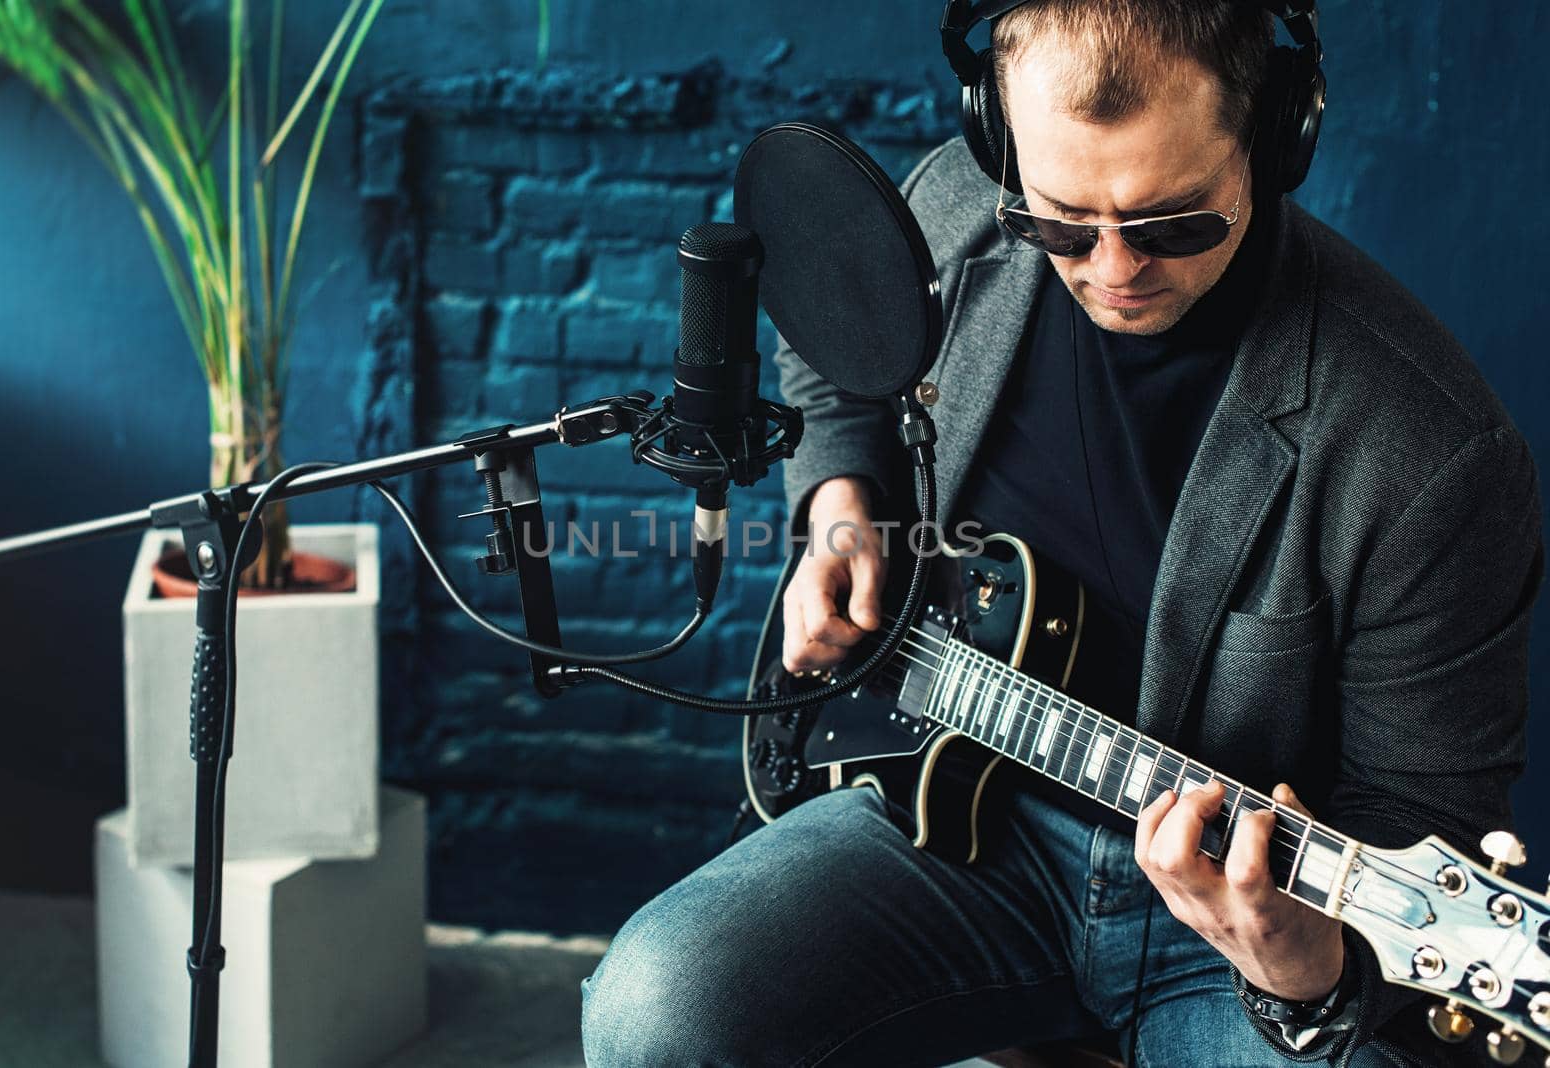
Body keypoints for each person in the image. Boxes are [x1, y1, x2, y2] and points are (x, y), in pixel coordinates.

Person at [581, 1, 1544, 1065]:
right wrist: (837, 507)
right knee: (652, 1011)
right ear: (999, 144)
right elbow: (833, 355)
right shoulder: (962, 201)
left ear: (1274, 141)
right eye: (1060, 224)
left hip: (1231, 934)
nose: (1113, 267)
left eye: (1174, 220)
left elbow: (1421, 808)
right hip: (938, 814)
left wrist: (1306, 969)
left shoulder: (1431, 453)